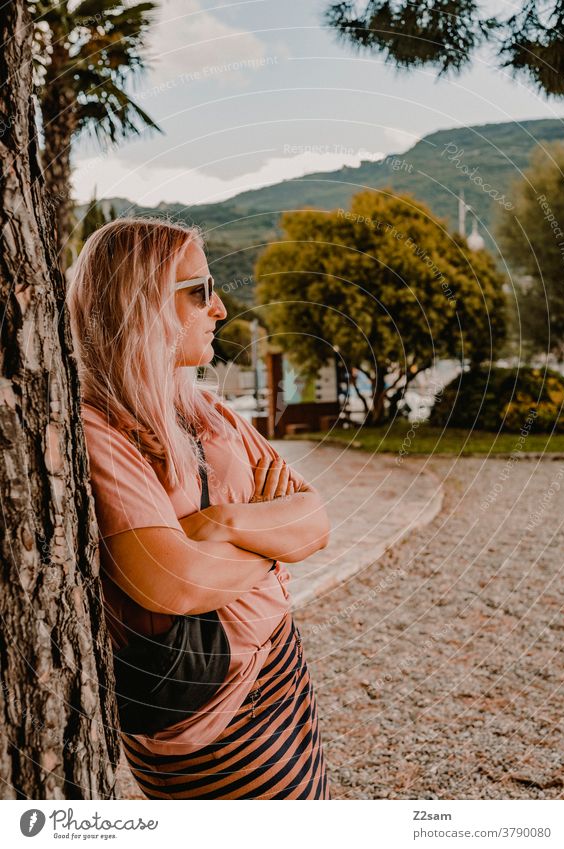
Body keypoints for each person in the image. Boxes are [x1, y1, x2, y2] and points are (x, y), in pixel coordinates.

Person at [66, 216, 332, 800]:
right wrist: (269, 546)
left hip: (282, 668)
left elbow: (313, 522)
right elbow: (171, 581)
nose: (220, 311)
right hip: (208, 711)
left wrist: (219, 524)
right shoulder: (99, 429)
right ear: (141, 306)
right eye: (199, 292)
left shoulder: (209, 411)